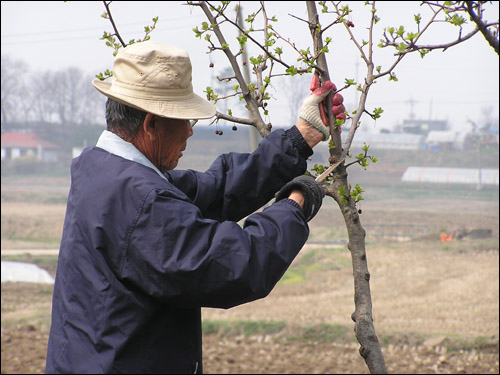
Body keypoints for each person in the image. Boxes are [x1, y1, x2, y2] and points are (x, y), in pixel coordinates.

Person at [46, 41, 341, 374]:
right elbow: (235, 266)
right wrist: (295, 205)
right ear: (151, 124)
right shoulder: (142, 200)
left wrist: (301, 137)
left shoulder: (102, 170)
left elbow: (215, 190)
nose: (189, 130)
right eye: (182, 119)